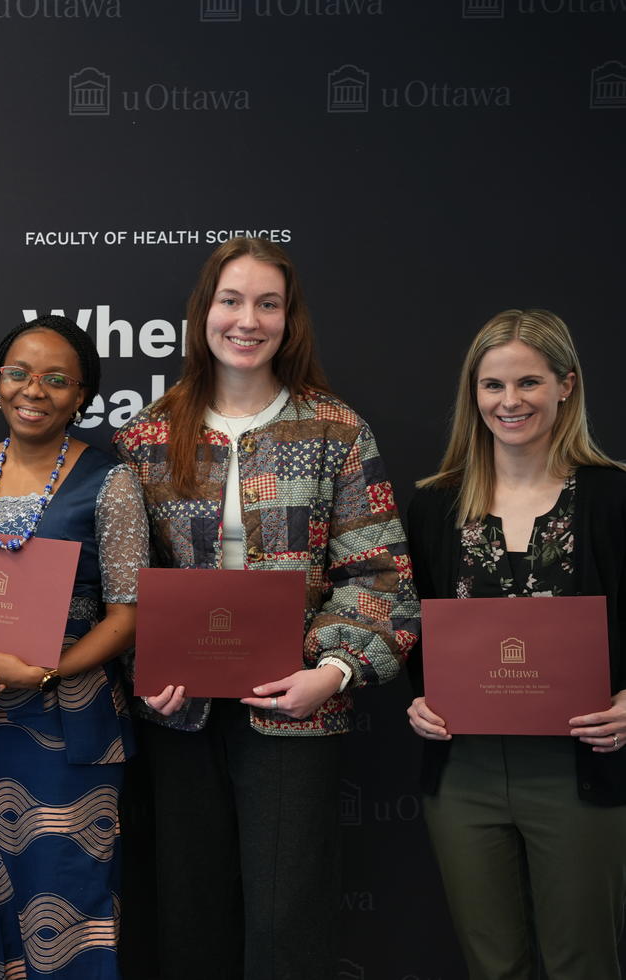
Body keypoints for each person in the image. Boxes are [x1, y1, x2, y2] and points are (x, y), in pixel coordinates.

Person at [111, 237, 418, 979]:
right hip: (179, 716)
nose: (247, 320)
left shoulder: (336, 430)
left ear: (290, 319)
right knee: (191, 920)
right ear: (203, 313)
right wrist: (143, 670)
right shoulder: (148, 435)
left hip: (295, 709)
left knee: (288, 922)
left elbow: (381, 575)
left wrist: (332, 672)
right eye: (231, 300)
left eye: (267, 304)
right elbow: (122, 582)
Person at [0, 315, 175, 979]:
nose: (35, 390)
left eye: (57, 380)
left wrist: (41, 671)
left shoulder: (110, 482)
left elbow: (129, 616)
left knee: (65, 900)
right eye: (20, 373)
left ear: (81, 396)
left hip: (70, 727)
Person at [405, 309, 626, 979]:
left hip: (580, 769)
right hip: (464, 774)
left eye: (529, 382)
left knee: (582, 964)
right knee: (493, 966)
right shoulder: (436, 506)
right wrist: (419, 700)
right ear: (473, 393)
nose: (510, 402)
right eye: (493, 385)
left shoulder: (612, 497)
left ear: (566, 385)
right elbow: (414, 628)